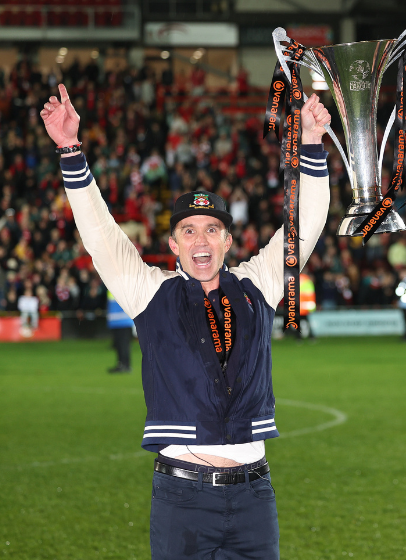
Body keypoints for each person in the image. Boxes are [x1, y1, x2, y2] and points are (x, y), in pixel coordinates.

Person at [41, 83, 332, 560]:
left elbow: (308, 224)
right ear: (173, 245)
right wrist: (71, 151)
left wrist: (314, 146)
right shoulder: (150, 291)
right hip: (182, 498)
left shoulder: (256, 285)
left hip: (255, 495)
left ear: (227, 241)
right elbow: (101, 237)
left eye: (213, 229)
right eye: (188, 231)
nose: (202, 239)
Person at [107, 290, 133, 373]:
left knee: (123, 344)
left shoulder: (120, 284)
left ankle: (125, 365)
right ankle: (121, 364)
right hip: (117, 321)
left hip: (123, 320)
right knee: (119, 344)